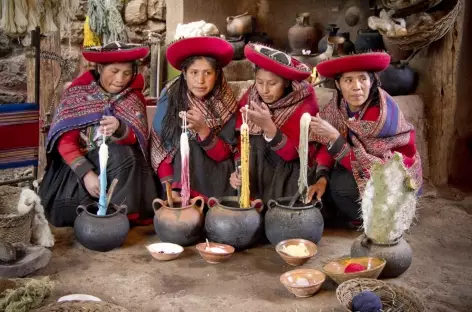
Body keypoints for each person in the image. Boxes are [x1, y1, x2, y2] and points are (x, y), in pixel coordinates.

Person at [40, 42, 158, 227]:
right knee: (68, 209)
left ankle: (116, 217)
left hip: (122, 173)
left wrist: (120, 128)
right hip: (79, 171)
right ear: (101, 68)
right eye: (114, 71)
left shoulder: (133, 97)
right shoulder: (77, 95)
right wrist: (87, 174)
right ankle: (102, 217)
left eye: (127, 73)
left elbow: (138, 139)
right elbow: (65, 143)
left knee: (126, 154)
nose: (120, 79)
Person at [306, 52, 422, 225]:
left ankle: (380, 222)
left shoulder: (380, 113)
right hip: (353, 164)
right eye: (348, 80)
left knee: (340, 185)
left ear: (372, 81)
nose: (357, 87)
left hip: (392, 178)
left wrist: (334, 137)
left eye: (362, 79)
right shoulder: (338, 106)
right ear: (338, 84)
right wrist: (322, 177)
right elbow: (325, 144)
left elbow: (375, 167)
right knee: (313, 178)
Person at [150, 36, 239, 201]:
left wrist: (204, 131)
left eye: (208, 73)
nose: (200, 81)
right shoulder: (170, 96)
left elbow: (226, 153)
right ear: (184, 73)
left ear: (217, 74)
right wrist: (171, 191)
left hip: (218, 176)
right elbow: (160, 147)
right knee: (187, 142)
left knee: (193, 143)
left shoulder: (226, 100)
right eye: (194, 72)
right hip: (177, 181)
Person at [229, 43, 319, 203]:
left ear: (286, 82)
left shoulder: (304, 100)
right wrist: (239, 170)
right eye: (259, 82)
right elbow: (240, 142)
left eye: (272, 84)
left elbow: (295, 154)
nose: (264, 90)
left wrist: (269, 128)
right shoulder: (251, 96)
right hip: (256, 172)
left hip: (289, 173)